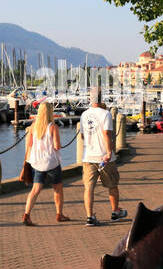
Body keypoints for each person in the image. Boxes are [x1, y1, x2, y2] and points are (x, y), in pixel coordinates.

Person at [80, 90, 129, 227]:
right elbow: (106, 133)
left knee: (89, 187)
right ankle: (115, 212)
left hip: (88, 156)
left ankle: (89, 216)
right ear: (102, 99)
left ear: (90, 99)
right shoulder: (105, 114)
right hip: (104, 156)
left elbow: (83, 135)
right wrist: (109, 152)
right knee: (112, 185)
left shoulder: (84, 115)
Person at [22, 101, 69, 225]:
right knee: (57, 188)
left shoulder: (33, 126)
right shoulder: (52, 127)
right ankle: (59, 213)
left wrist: (26, 160)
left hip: (37, 162)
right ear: (50, 112)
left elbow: (29, 145)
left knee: (35, 189)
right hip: (51, 161)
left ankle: (26, 214)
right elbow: (57, 146)